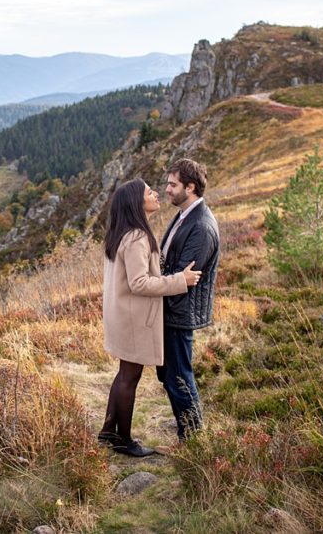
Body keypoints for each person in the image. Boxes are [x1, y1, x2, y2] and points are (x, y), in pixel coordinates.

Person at [100, 178, 201, 457]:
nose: (156, 194)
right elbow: (139, 283)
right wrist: (179, 280)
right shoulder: (136, 237)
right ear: (136, 202)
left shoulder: (122, 233)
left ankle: (109, 432)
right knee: (129, 378)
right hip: (133, 318)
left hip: (122, 315)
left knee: (124, 374)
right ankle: (124, 440)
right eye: (149, 192)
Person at [157, 158, 220, 443]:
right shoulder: (184, 215)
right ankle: (186, 429)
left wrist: (157, 281)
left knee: (180, 377)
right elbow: (170, 267)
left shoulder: (202, 226)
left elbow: (186, 275)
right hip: (168, 308)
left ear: (190, 187)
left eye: (173, 185)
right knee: (168, 376)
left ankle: (193, 439)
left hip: (180, 312)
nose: (167, 190)